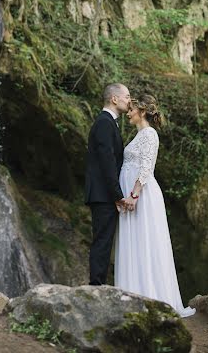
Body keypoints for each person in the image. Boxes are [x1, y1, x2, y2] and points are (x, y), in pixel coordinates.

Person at [114, 93, 196, 318]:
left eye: (131, 109)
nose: (128, 113)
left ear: (141, 111)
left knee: (146, 242)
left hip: (142, 197)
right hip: (133, 195)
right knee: (135, 242)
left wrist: (134, 195)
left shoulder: (149, 134)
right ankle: (134, 294)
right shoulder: (139, 135)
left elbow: (147, 168)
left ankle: (153, 297)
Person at [85, 83, 133, 286]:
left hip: (103, 194)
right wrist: (117, 194)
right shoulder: (104, 123)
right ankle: (96, 287)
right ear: (114, 99)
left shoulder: (108, 122)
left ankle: (98, 285)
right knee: (102, 242)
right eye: (127, 96)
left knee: (104, 241)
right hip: (103, 195)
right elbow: (107, 162)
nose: (130, 101)